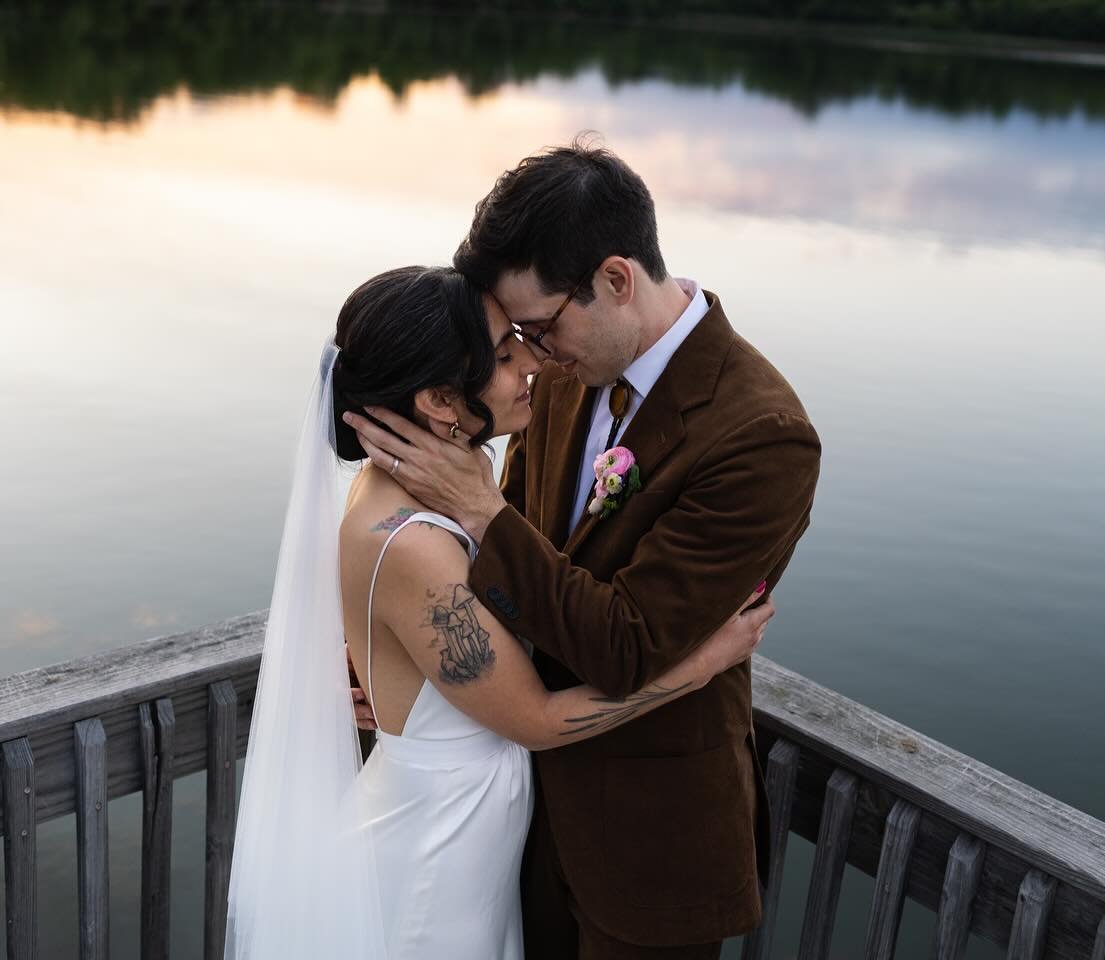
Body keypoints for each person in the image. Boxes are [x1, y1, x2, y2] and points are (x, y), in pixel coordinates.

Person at [346, 140, 821, 959]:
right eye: (515, 338)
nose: (529, 356)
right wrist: (406, 669)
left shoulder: (761, 437)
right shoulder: (564, 370)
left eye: (537, 327)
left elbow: (626, 644)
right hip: (513, 821)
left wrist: (481, 508)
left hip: (650, 841)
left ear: (616, 280)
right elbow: (498, 581)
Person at [224, 264, 776, 960]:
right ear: (439, 401)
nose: (533, 366)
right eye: (505, 354)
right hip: (435, 855)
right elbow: (539, 723)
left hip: (468, 837)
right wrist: (700, 666)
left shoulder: (415, 489)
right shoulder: (415, 544)